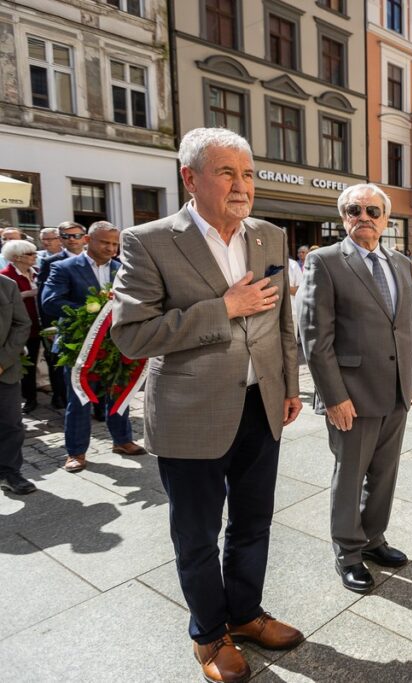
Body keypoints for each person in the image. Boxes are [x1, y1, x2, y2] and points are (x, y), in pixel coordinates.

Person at [111, 127, 303, 683]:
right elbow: (132, 335)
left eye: (248, 173)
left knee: (254, 522)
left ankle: (244, 613)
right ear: (190, 178)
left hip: (261, 404)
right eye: (226, 172)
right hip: (190, 414)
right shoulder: (148, 240)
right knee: (196, 535)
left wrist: (290, 384)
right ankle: (210, 635)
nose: (242, 185)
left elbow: (281, 321)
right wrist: (224, 308)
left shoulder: (269, 235)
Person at [297, 183, 412, 595]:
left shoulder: (400, 262)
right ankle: (348, 553)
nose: (364, 217)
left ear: (386, 219)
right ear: (343, 217)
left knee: (384, 474)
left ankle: (373, 538)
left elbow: (408, 326)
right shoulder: (325, 261)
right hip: (350, 393)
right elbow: (315, 338)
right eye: (355, 210)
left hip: (395, 390)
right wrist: (334, 396)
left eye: (373, 211)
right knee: (350, 476)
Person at [43, 221, 146, 473]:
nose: (111, 248)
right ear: (88, 240)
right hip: (80, 346)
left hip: (115, 344)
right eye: (105, 242)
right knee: (79, 398)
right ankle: (76, 452)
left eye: (115, 244)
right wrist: (94, 311)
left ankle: (122, 440)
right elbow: (50, 302)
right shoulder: (64, 267)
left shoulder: (122, 269)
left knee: (119, 393)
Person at [37, 221, 87, 410]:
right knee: (61, 364)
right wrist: (49, 327)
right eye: (66, 236)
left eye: (76, 235)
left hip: (93, 322)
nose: (72, 240)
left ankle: (98, 406)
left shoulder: (95, 259)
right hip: (64, 323)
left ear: (85, 238)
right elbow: (45, 299)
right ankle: (61, 398)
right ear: (60, 239)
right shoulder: (51, 262)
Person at [0, 270, 33, 495]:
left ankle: (9, 472)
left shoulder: (7, 285)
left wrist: (3, 362)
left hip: (5, 369)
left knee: (10, 424)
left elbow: (21, 324)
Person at [0, 240, 41, 412]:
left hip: (39, 325)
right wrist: (25, 294)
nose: (35, 256)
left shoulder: (37, 272)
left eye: (35, 252)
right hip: (20, 329)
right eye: (30, 254)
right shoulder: (6, 276)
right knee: (27, 366)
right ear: (17, 257)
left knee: (41, 361)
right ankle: (30, 398)